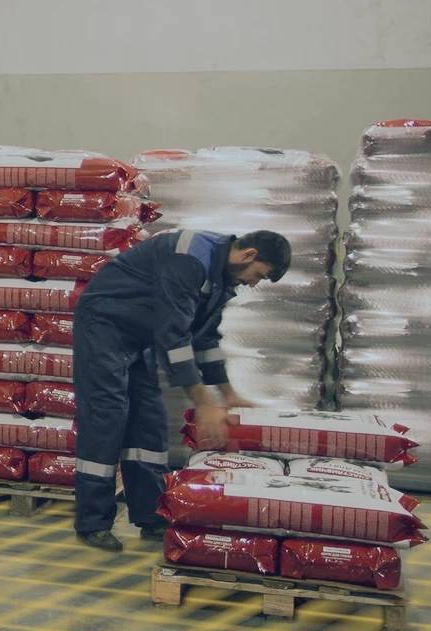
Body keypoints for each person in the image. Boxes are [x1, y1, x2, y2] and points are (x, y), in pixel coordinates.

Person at [69, 228, 292, 552]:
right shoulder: (189, 257)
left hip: (141, 337)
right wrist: (203, 402)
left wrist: (228, 393)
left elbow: (204, 338)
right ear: (249, 255)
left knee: (149, 422)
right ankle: (93, 522)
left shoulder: (222, 278)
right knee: (107, 416)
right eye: (259, 275)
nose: (254, 283)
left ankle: (150, 516)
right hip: (105, 326)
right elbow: (173, 336)